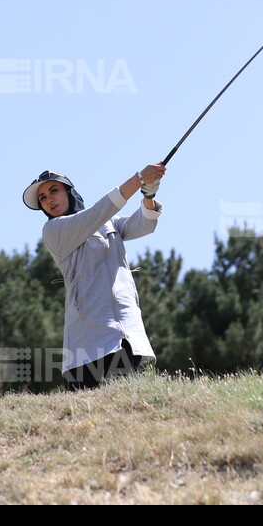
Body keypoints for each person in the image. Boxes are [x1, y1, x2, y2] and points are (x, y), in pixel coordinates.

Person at [22, 165, 166, 391]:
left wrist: (148, 195)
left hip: (130, 338)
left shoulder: (108, 222)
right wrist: (139, 179)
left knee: (140, 413)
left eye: (54, 191)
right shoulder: (54, 230)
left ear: (69, 192)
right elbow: (98, 213)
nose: (49, 199)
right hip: (88, 347)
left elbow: (144, 224)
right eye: (42, 198)